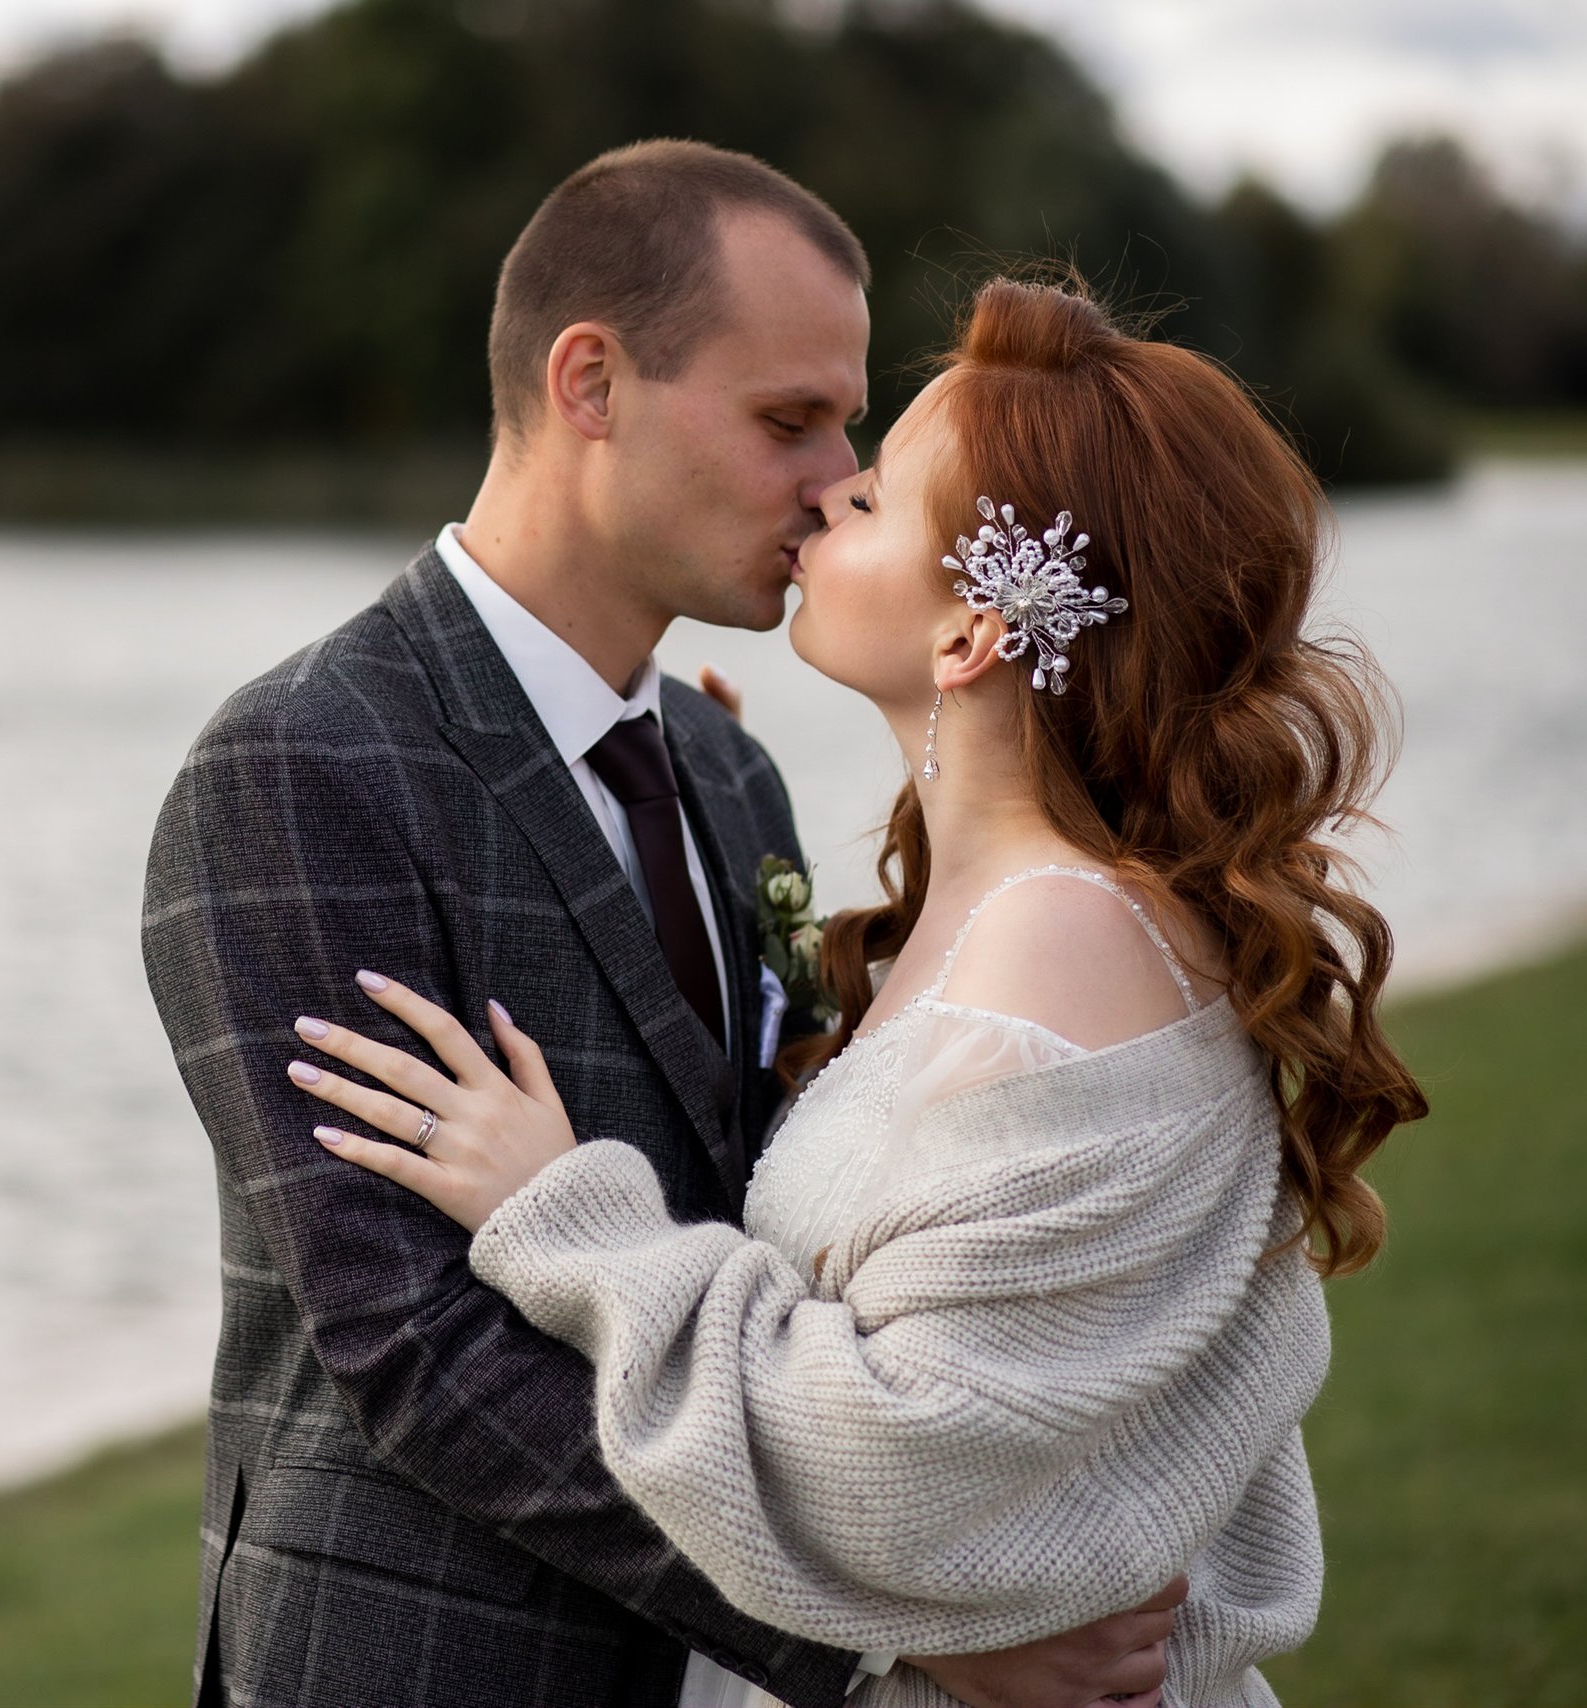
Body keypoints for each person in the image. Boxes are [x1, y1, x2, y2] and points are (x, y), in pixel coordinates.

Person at [143, 141, 1189, 1708]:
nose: (841, 478)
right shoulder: (303, 765)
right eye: (790, 420)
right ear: (590, 384)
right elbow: (411, 1349)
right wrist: (893, 1625)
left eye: (852, 428)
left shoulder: (725, 768)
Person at [284, 276, 1430, 1705]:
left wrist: (568, 1212)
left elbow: (898, 1451)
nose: (827, 497)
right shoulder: (1012, 904)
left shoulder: (1058, 951)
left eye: (878, 494)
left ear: (970, 638)